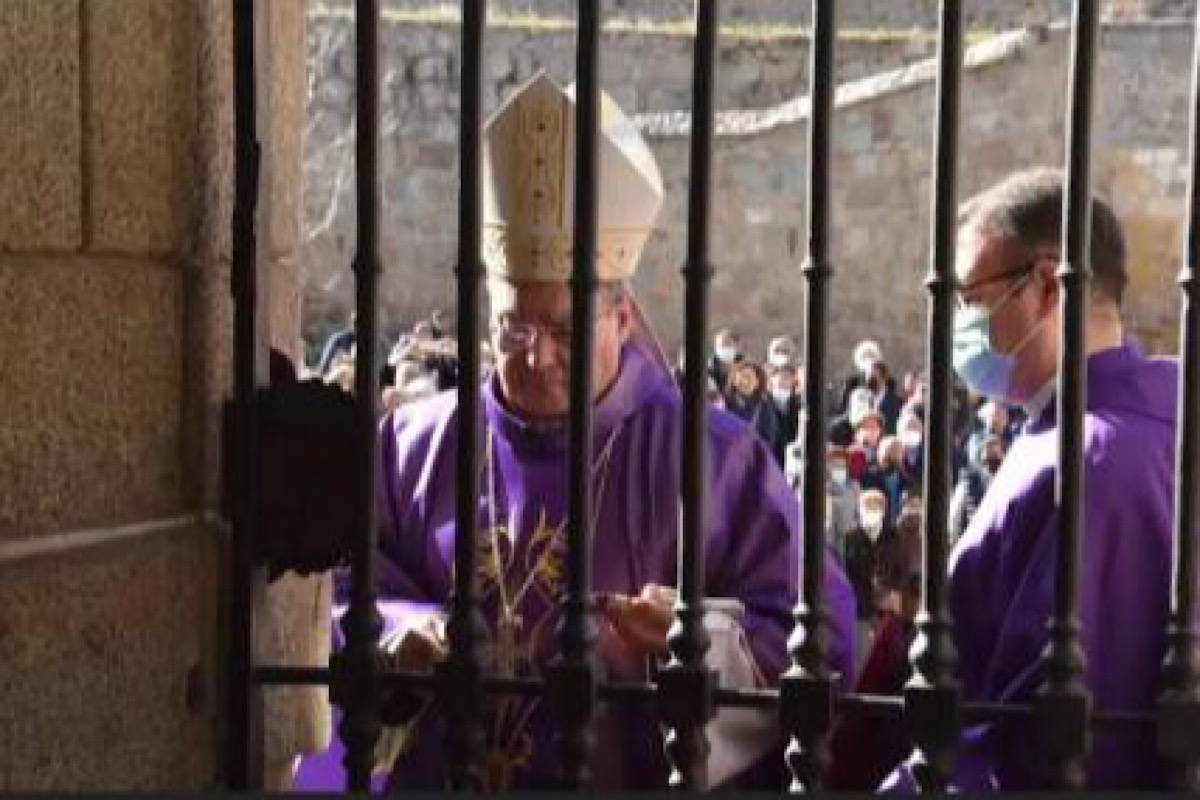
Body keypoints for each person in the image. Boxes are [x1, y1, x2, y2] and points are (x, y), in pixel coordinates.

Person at [295, 73, 855, 792]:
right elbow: (331, 588)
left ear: (620, 319)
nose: (536, 357)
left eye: (564, 330)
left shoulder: (711, 459)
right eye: (513, 329)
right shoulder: (412, 447)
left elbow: (820, 634)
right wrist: (401, 632)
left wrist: (698, 642)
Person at [885, 167, 1178, 790]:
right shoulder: (1167, 422)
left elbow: (1018, 737)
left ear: (1047, 285)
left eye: (969, 298)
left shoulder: (1080, 460)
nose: (959, 323)